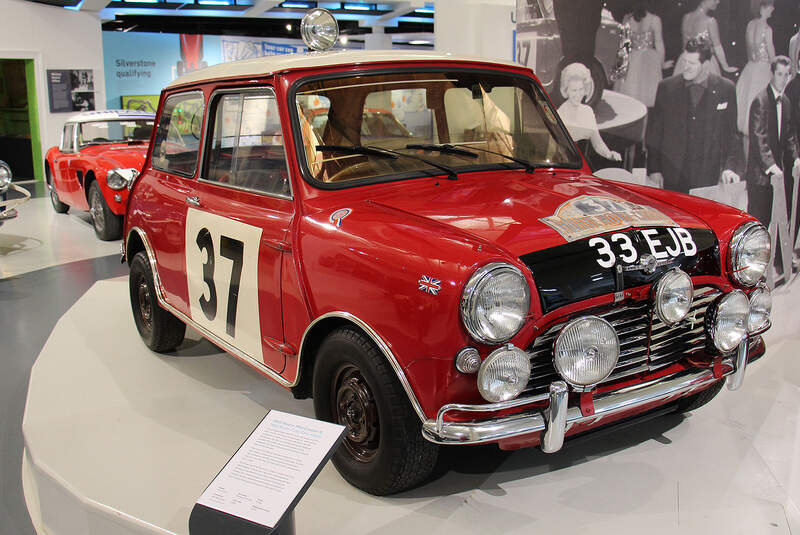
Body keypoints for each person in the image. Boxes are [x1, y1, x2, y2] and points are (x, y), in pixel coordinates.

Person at [647, 38, 740, 193]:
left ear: (707, 65)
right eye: (685, 61)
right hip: (673, 173)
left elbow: (731, 135)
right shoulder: (666, 88)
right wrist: (654, 169)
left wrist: (729, 167)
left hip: (708, 175)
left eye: (692, 63)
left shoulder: (726, 89)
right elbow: (654, 133)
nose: (685, 67)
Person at [745, 56, 800, 230]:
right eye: (779, 74)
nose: (783, 79)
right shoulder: (760, 100)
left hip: (777, 177)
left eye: (786, 75)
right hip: (760, 176)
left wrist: (796, 158)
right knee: (757, 223)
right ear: (772, 74)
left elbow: (790, 135)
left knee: (773, 222)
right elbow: (758, 138)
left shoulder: (786, 102)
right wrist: (772, 166)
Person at [557, 62, 621, 164]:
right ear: (566, 90)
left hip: (584, 168)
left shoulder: (588, 112)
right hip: (564, 168)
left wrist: (609, 154)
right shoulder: (559, 114)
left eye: (581, 89)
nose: (578, 95)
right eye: (574, 90)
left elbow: (597, 144)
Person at [614, 1, 667, 108]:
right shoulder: (654, 20)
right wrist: (661, 64)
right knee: (646, 97)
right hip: (649, 62)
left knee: (631, 97)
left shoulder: (627, 20)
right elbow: (659, 44)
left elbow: (623, 47)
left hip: (631, 60)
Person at [736, 0, 776, 135]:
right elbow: (772, 57)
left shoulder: (750, 25)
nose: (773, 8)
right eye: (771, 5)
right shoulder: (767, 29)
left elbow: (749, 51)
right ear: (763, 7)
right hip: (763, 71)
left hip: (750, 69)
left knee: (746, 109)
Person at [673, 0, 738, 77]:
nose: (718, 2)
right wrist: (725, 66)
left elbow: (684, 45)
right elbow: (717, 46)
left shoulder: (686, 17)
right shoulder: (710, 21)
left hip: (685, 61)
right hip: (703, 62)